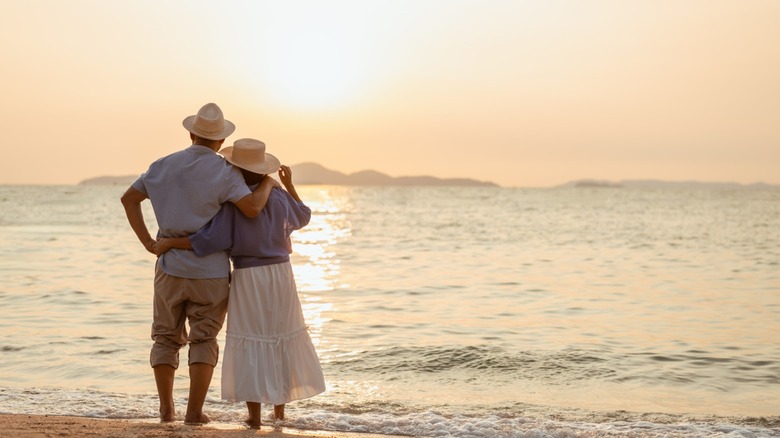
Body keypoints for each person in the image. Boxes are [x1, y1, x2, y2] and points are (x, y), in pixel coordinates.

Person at [120, 103, 278, 424]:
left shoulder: (162, 165)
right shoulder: (225, 171)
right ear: (221, 141)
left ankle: (166, 410)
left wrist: (150, 243)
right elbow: (250, 209)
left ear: (191, 133)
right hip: (211, 272)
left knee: (165, 337)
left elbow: (129, 199)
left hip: (169, 266)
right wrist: (266, 184)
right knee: (204, 339)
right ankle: (194, 412)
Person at [154, 138, 326, 428]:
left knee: (251, 338)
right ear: (263, 171)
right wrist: (288, 184)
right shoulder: (281, 197)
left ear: (237, 170)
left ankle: (254, 417)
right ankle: (279, 413)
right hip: (282, 276)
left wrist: (171, 241)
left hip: (249, 277)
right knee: (280, 335)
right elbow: (303, 215)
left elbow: (207, 240)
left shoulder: (234, 204)